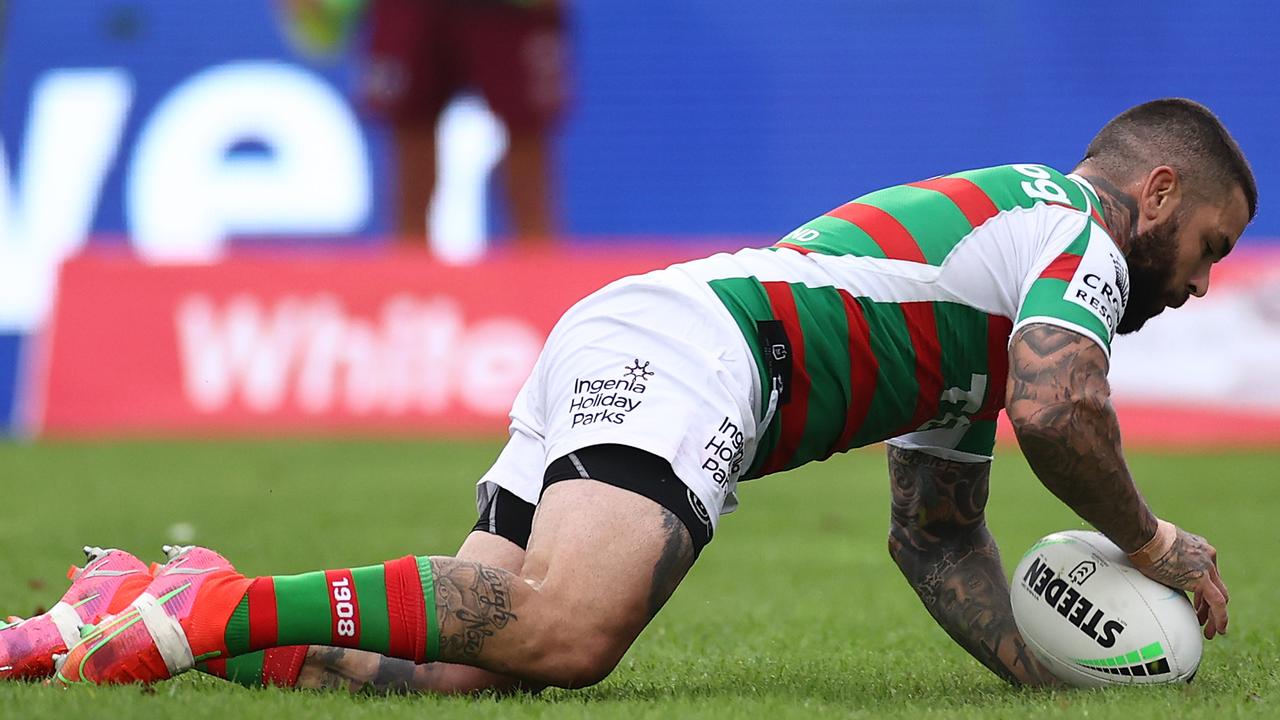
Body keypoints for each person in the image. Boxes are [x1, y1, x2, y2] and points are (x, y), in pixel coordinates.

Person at [3, 98, 1252, 692]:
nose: (1199, 284)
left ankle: (196, 610)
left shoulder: (983, 306)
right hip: (701, 347)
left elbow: (932, 533)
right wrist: (1147, 540)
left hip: (658, 334)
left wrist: (1051, 678)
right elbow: (1061, 410)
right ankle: (183, 609)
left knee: (466, 671)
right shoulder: (1070, 235)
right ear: (1151, 194)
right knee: (565, 629)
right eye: (1206, 245)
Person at [360, 0, 568, 247]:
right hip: (412, 8)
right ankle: (408, 275)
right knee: (411, 132)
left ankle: (541, 272)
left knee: (525, 137)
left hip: (512, 11)